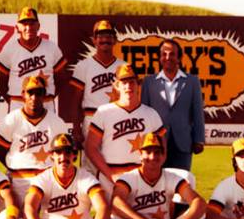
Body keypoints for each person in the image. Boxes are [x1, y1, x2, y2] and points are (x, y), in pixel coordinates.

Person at [17, 134, 117, 219]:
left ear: (74, 155)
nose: (63, 157)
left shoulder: (85, 177)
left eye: (68, 152)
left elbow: (103, 206)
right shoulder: (43, 178)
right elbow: (29, 206)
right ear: (52, 155)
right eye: (58, 152)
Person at [110, 132, 206, 219]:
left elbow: (198, 202)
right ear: (140, 154)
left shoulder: (171, 177)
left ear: (163, 155)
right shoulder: (129, 178)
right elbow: (116, 202)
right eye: (148, 152)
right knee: (117, 215)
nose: (153, 156)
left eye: (157, 152)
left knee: (201, 213)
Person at [84, 64, 165, 195]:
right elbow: (90, 148)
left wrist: (150, 175)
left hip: (142, 178)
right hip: (110, 178)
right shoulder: (104, 112)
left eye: (132, 82)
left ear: (138, 84)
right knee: (111, 214)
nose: (128, 87)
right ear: (116, 86)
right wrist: (110, 175)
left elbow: (163, 150)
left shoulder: (151, 114)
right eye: (124, 82)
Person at [0, 74, 70, 208]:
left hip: (47, 179)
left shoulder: (56, 122)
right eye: (30, 92)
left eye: (38, 93)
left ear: (44, 95)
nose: (34, 97)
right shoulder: (11, 119)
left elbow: (65, 154)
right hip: (19, 179)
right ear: (23, 94)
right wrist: (13, 166)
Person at [141, 39, 205, 171]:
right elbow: (144, 112)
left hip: (183, 143)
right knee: (157, 185)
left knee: (182, 182)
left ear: (179, 58)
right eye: (163, 54)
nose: (167, 57)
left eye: (172, 54)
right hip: (155, 143)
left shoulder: (192, 81)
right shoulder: (149, 82)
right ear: (159, 58)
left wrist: (199, 139)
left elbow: (197, 112)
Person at [66, 19, 126, 150]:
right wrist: (76, 129)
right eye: (101, 36)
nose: (105, 40)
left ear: (115, 40)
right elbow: (76, 101)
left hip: (116, 120)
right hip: (91, 119)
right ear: (94, 40)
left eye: (109, 36)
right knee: (90, 166)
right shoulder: (83, 66)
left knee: (115, 161)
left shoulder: (124, 67)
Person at [0, 7, 67, 111]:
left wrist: (49, 97)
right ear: (17, 27)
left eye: (32, 23)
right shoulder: (9, 49)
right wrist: (13, 101)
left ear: (38, 26)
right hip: (18, 103)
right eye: (24, 24)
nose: (28, 27)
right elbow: (1, 83)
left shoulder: (51, 47)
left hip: (45, 103)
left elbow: (61, 79)